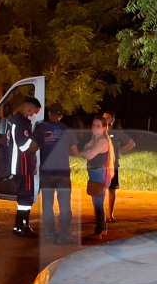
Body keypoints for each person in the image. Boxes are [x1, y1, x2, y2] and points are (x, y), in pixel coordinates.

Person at [33, 103, 77, 244]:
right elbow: (75, 152)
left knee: (47, 205)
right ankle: (64, 236)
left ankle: (50, 235)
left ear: (49, 113)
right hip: (63, 173)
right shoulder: (68, 130)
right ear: (61, 115)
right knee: (64, 206)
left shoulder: (41, 128)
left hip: (46, 173)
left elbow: (33, 147)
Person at [9, 97, 42, 238]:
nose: (34, 115)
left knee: (24, 197)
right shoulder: (20, 123)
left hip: (21, 166)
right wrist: (39, 139)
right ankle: (23, 227)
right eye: (35, 112)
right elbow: (24, 146)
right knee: (25, 198)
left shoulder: (18, 121)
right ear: (29, 109)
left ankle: (19, 226)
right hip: (23, 166)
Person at [81, 116, 114, 238]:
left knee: (98, 203)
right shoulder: (96, 139)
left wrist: (81, 152)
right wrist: (87, 150)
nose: (94, 128)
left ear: (104, 128)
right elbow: (87, 150)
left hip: (99, 173)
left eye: (98, 126)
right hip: (97, 172)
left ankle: (99, 231)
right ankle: (103, 229)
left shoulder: (102, 140)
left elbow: (89, 154)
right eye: (93, 125)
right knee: (98, 202)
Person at [101, 110, 136, 223]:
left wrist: (119, 151)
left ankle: (110, 215)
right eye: (103, 117)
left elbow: (131, 143)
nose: (105, 119)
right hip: (100, 165)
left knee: (112, 190)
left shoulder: (117, 132)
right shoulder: (99, 131)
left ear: (113, 120)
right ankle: (100, 215)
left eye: (108, 117)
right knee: (99, 190)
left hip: (113, 165)